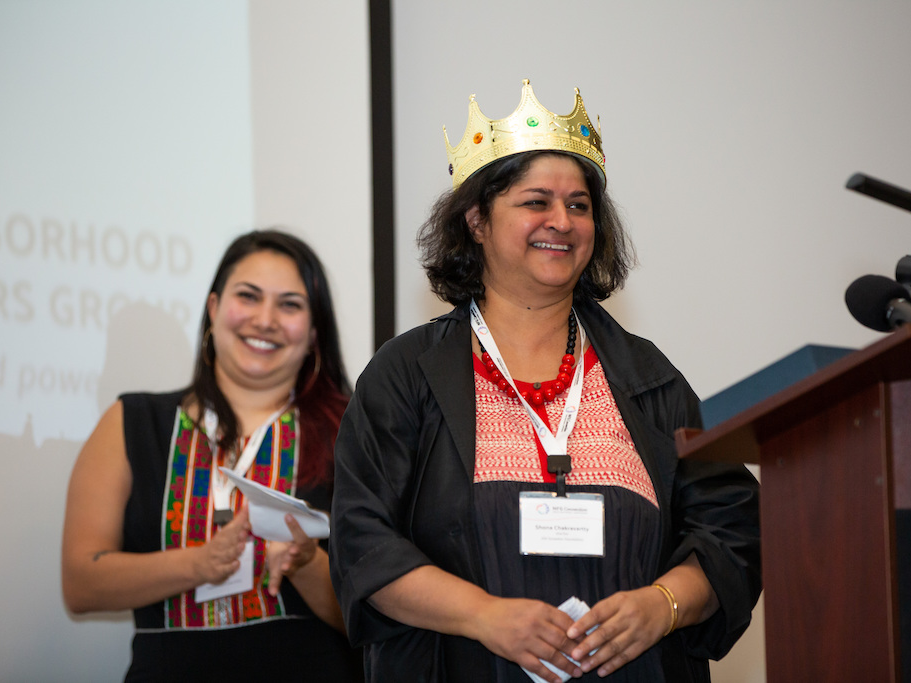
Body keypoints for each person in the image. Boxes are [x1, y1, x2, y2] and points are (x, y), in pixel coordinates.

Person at [330, 80, 761, 682]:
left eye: (579, 205)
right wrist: (483, 617)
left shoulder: (649, 378)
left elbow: (729, 530)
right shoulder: (407, 375)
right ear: (477, 220)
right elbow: (360, 540)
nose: (562, 221)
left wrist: (660, 606)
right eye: (537, 202)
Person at [62, 229, 363, 682]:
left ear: (314, 332)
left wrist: (306, 564)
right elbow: (80, 584)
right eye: (249, 296)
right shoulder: (131, 423)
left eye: (290, 305)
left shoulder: (354, 434)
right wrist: (198, 564)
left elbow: (377, 615)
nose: (265, 319)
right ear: (214, 309)